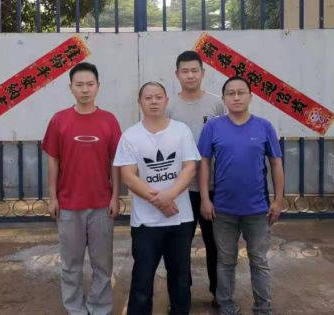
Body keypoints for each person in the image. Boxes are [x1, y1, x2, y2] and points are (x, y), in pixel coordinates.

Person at [197, 76, 285, 315]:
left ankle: (263, 308)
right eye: (230, 93)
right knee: (225, 262)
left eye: (241, 92)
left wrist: (278, 200)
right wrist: (205, 199)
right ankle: (226, 306)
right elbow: (204, 163)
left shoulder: (264, 126)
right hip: (223, 210)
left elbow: (276, 163)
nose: (236, 97)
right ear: (223, 98)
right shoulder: (213, 127)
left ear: (250, 97)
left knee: (259, 261)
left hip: (257, 210)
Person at [114, 81, 200, 315]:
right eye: (148, 97)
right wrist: (161, 202)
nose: (154, 101)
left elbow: (190, 168)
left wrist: (169, 196)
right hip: (146, 223)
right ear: (140, 102)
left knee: (180, 278)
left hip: (180, 219)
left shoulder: (181, 131)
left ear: (166, 101)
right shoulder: (130, 136)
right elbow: (128, 176)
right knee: (142, 279)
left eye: (158, 97)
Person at [42, 62, 122, 315]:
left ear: (98, 86)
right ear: (71, 88)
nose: (85, 89)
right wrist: (53, 197)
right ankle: (75, 308)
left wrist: (115, 196)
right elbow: (53, 160)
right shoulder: (59, 120)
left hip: (101, 205)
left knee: (102, 264)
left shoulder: (109, 120)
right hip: (69, 205)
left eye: (90, 84)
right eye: (79, 85)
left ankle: (99, 307)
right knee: (70, 264)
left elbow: (116, 161)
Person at [166, 50, 225, 305]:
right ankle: (181, 297)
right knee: (179, 247)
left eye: (194, 70)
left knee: (216, 245)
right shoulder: (169, 106)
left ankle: (219, 294)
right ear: (177, 74)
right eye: (185, 71)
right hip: (180, 189)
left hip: (213, 188)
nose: (190, 75)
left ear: (203, 73)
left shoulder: (216, 104)